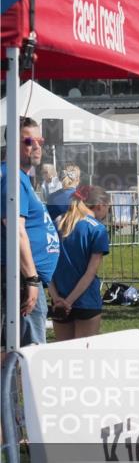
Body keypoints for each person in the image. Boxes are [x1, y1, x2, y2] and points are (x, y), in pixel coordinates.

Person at [1, 118, 60, 347]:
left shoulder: (20, 177)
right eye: (28, 141)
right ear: (12, 144)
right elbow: (16, 229)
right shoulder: (12, 177)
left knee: (17, 354)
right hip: (21, 280)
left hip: (23, 279)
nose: (36, 146)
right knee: (29, 357)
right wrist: (32, 279)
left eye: (40, 140)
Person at [49, 185, 110, 340]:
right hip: (86, 301)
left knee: (64, 357)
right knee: (84, 358)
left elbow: (46, 266)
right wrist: (69, 302)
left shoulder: (56, 223)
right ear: (100, 205)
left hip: (58, 299)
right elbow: (90, 273)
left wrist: (57, 298)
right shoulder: (98, 229)